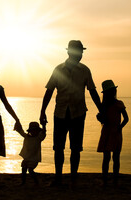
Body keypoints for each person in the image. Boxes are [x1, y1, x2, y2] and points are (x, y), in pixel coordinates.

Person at [39, 40, 102, 185]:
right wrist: (42, 112)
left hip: (78, 113)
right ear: (69, 52)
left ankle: (73, 177)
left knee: (76, 148)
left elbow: (92, 91)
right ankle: (58, 177)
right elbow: (49, 91)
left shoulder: (85, 70)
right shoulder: (58, 69)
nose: (80, 55)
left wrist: (101, 110)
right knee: (58, 147)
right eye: (77, 52)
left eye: (81, 52)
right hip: (60, 113)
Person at [97, 80, 129, 187]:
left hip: (115, 133)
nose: (111, 93)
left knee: (115, 157)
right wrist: (100, 118)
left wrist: (119, 128)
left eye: (112, 91)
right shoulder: (103, 106)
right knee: (106, 158)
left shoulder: (119, 104)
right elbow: (103, 120)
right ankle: (105, 180)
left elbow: (126, 119)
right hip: (107, 132)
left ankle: (114, 180)